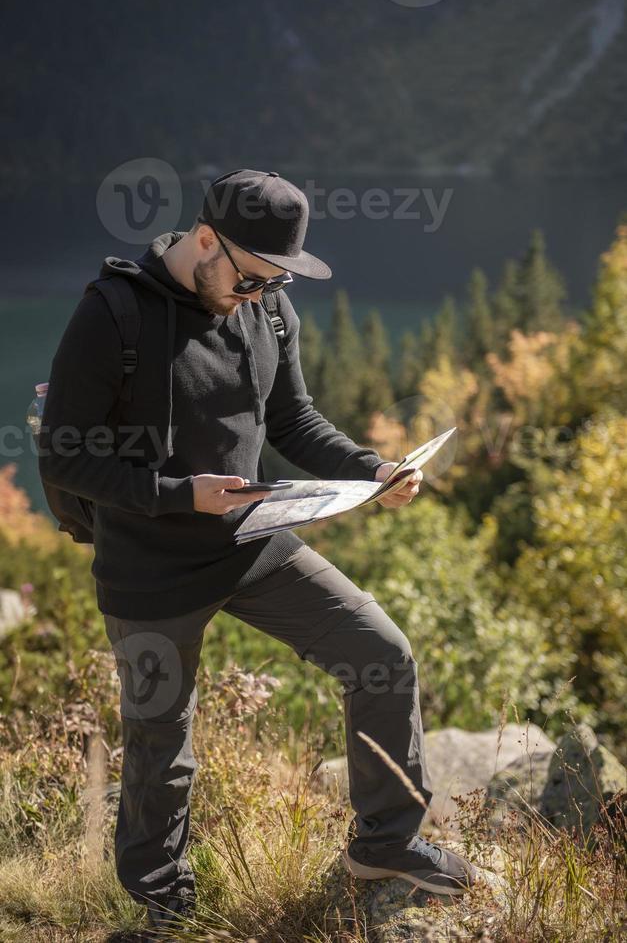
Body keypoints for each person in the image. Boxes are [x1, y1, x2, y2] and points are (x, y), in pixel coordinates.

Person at [39, 169, 475, 936]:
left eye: (275, 281)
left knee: (381, 653)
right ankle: (161, 909)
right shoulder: (112, 314)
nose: (261, 295)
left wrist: (370, 469)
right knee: (159, 743)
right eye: (249, 278)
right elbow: (67, 461)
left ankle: (387, 843)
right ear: (204, 239)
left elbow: (292, 420)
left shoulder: (266, 306)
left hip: (250, 539)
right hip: (148, 565)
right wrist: (181, 494)